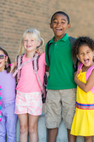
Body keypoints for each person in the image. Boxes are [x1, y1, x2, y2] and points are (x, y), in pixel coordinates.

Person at [45, 11, 77, 142]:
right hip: (52, 89)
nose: (59, 24)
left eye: (63, 22)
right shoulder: (48, 45)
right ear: (50, 25)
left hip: (70, 88)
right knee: (51, 122)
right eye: (55, 22)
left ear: (68, 26)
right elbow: (48, 66)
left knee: (71, 122)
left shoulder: (74, 43)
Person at [14, 29, 45, 142]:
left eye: (32, 40)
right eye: (26, 40)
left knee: (32, 128)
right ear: (23, 43)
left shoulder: (42, 57)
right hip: (20, 96)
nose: (28, 42)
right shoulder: (19, 58)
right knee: (23, 129)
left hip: (35, 96)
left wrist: (41, 51)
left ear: (38, 43)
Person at [0, 46, 17, 142]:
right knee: (0, 133)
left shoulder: (12, 69)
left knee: (11, 132)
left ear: (6, 58)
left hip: (11, 106)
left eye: (1, 56)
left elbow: (24, 60)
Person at [71, 37, 94, 142]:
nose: (85, 56)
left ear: (93, 52)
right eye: (81, 54)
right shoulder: (80, 67)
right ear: (77, 56)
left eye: (88, 52)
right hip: (81, 108)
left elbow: (86, 88)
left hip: (90, 110)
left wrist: (75, 79)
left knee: (89, 137)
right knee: (86, 136)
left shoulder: (93, 69)